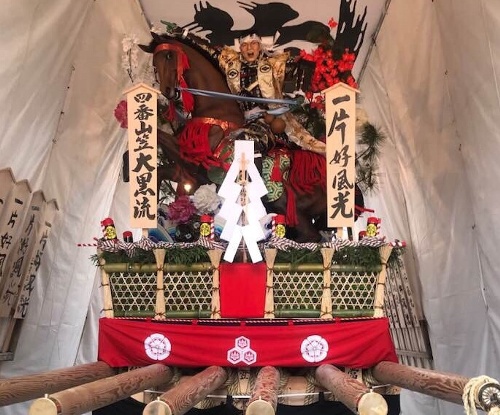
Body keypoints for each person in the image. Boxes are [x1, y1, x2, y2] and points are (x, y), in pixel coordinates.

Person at [216, 33, 326, 156]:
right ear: (240, 48)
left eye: (253, 43)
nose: (249, 48)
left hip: (267, 120)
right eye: (244, 45)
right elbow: (208, 52)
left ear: (260, 46)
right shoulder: (231, 66)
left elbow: (302, 65)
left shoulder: (273, 65)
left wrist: (299, 91)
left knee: (248, 139)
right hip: (240, 118)